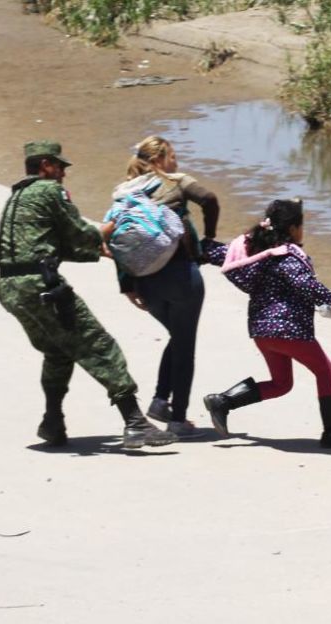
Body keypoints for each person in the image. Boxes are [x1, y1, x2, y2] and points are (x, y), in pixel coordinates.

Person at [0, 139, 176, 449]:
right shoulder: (49, 191)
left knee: (58, 352)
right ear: (45, 166)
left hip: (10, 288)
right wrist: (116, 224)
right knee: (100, 346)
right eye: (59, 167)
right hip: (42, 287)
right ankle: (135, 423)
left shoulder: (17, 197)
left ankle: (52, 421)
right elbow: (81, 232)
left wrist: (98, 252)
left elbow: (56, 245)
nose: (63, 173)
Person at [202, 199, 331, 448]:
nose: (303, 231)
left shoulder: (257, 251)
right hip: (288, 330)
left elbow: (220, 254)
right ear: (292, 229)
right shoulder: (285, 256)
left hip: (261, 331)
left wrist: (195, 250)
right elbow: (304, 283)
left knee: (281, 384)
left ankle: (222, 402)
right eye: (301, 226)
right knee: (324, 370)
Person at [110, 135, 221, 438]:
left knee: (178, 335)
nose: (177, 162)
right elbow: (210, 199)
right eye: (173, 156)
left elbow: (121, 240)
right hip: (181, 275)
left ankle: (161, 401)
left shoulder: (124, 192)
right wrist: (209, 237)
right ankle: (178, 419)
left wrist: (127, 285)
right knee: (185, 346)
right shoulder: (176, 181)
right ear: (159, 160)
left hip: (145, 281)